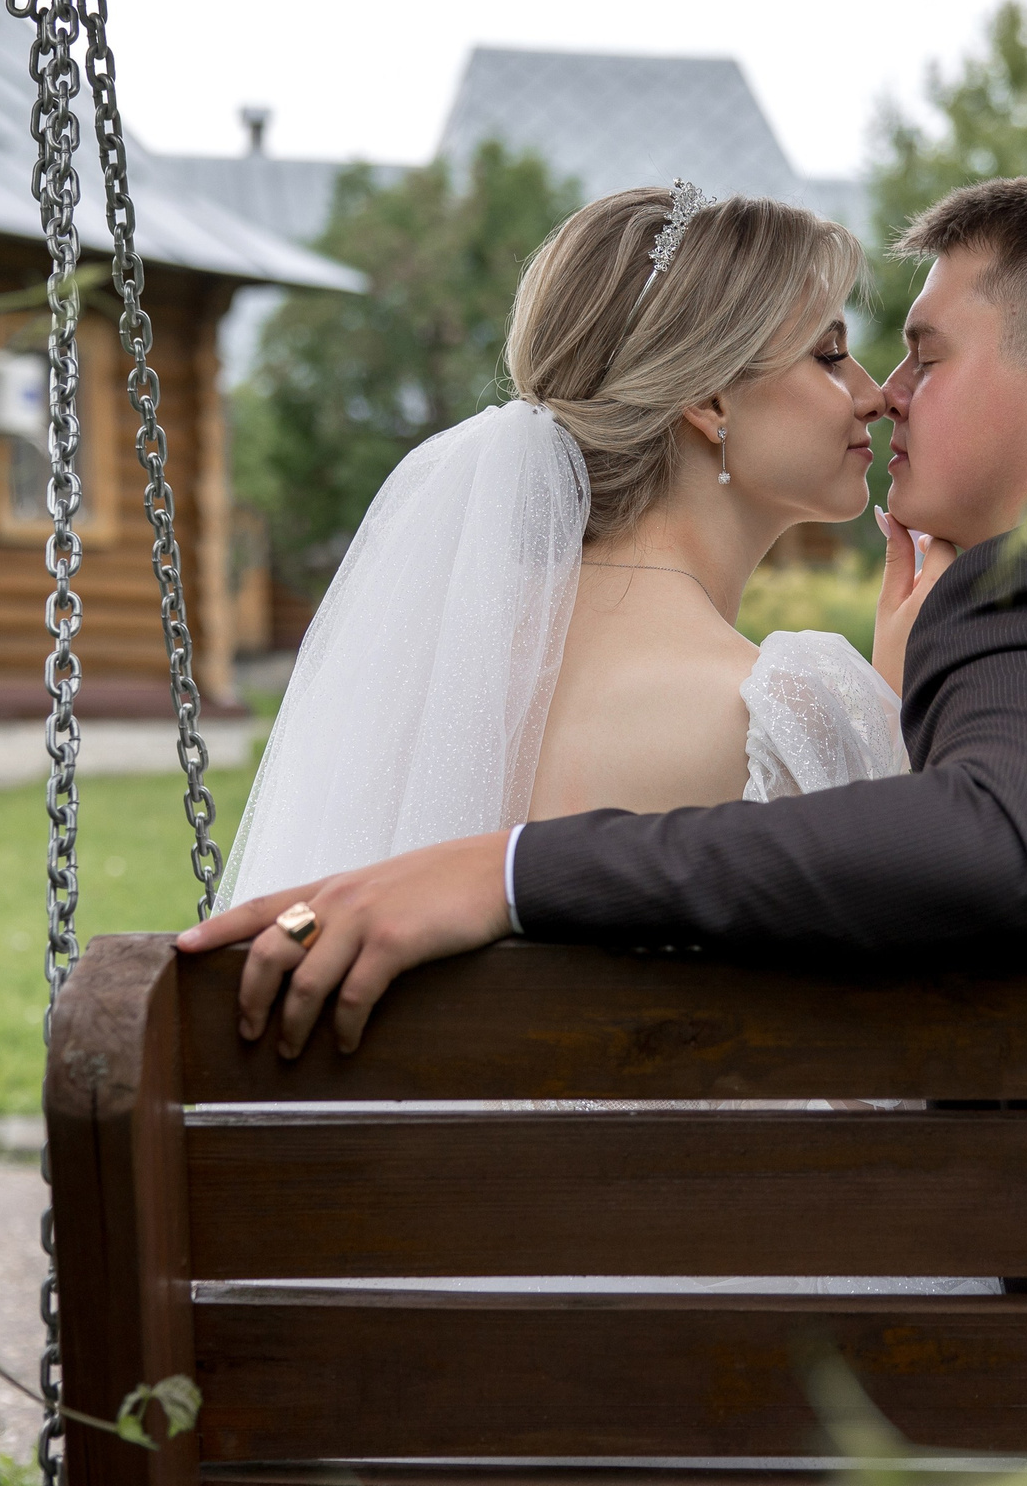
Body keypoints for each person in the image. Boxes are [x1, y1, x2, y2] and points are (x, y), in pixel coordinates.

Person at [190, 164, 1027, 1056]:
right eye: (847, 351)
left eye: (920, 351)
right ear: (707, 401)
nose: (883, 394)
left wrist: (511, 867)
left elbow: (1009, 849)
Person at [222, 180, 948, 976]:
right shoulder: (784, 704)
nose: (875, 395)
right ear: (709, 398)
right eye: (831, 354)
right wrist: (892, 711)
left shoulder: (442, 669)